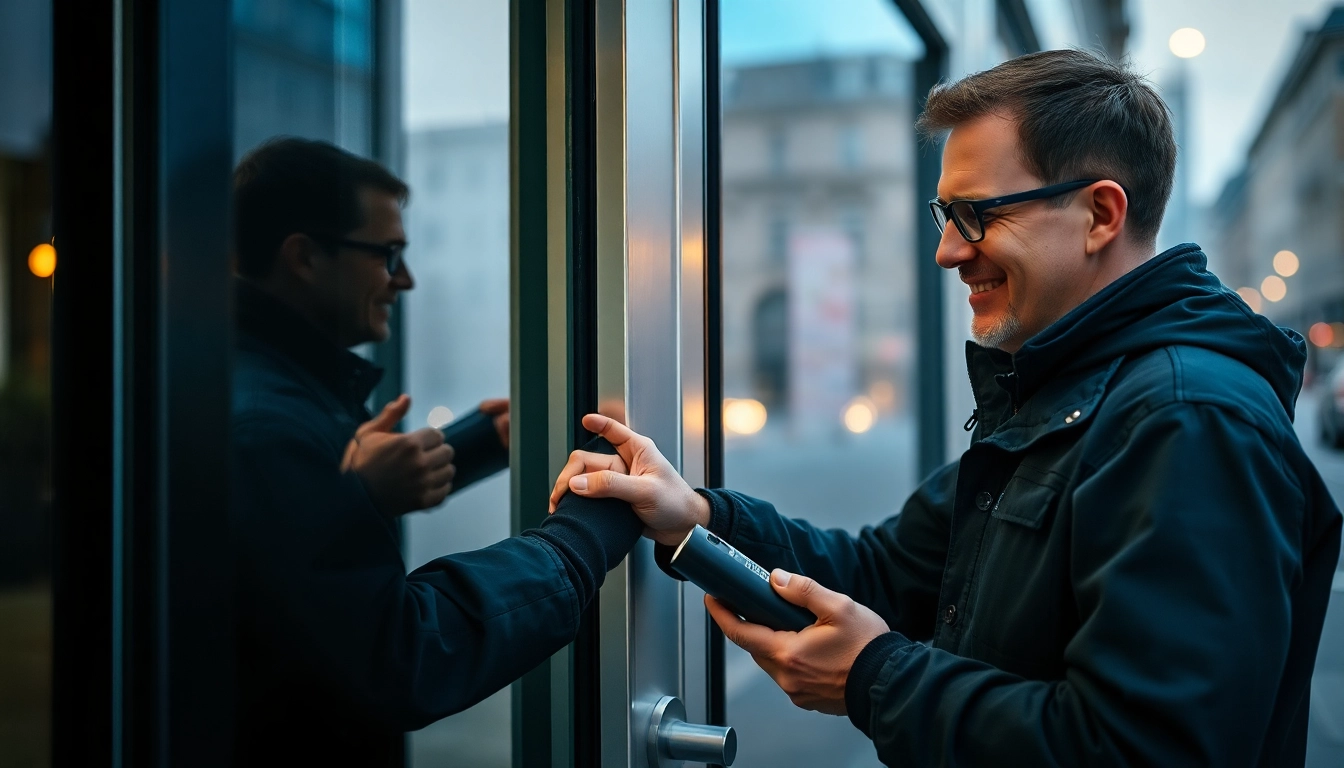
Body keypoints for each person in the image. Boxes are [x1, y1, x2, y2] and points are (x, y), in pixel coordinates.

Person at [550, 49, 1343, 766]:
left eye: (978, 214)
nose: (948, 251)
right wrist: (693, 514)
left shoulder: (1186, 420)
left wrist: (875, 676)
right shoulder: (1067, 387)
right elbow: (884, 572)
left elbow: (1146, 750)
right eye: (944, 215)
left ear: (1101, 213)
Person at [229, 136, 641, 766]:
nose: (406, 280)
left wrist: (474, 444)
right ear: (305, 257)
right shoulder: (269, 426)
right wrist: (582, 537)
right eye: (388, 254)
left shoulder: (252, 381)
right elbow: (401, 655)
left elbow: (291, 557)